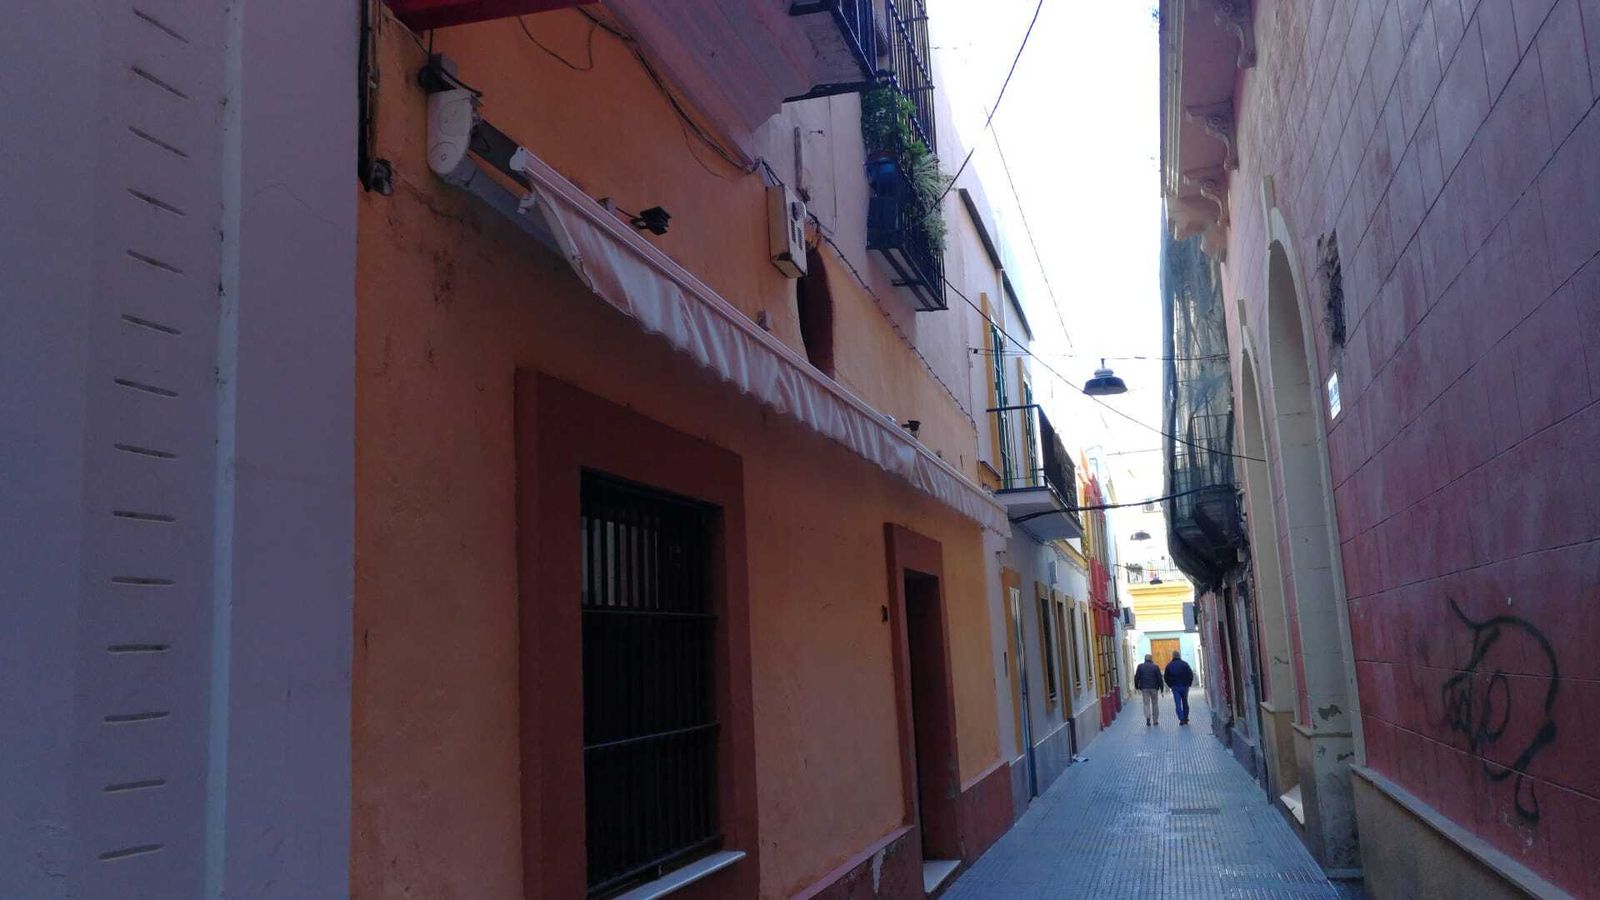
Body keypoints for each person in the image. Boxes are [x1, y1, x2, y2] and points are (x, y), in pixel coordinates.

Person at [1164, 650, 1195, 725]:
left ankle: (1181, 719)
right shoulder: (1185, 664)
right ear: (1179, 656)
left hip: (1175, 687)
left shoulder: (1169, 665)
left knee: (1177, 704)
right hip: (1185, 686)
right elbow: (1190, 674)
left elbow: (1166, 677)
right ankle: (1186, 718)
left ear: (1173, 656)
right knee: (1185, 702)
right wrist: (1189, 683)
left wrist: (1170, 685)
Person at [1133, 654, 1164, 726]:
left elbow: (1136, 677)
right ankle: (1155, 720)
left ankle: (1148, 718)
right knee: (1155, 704)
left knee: (1146, 704)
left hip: (1144, 688)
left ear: (1145, 659)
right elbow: (1160, 678)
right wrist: (1161, 688)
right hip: (1154, 688)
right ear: (1151, 659)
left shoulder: (1140, 667)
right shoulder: (1155, 667)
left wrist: (1137, 687)